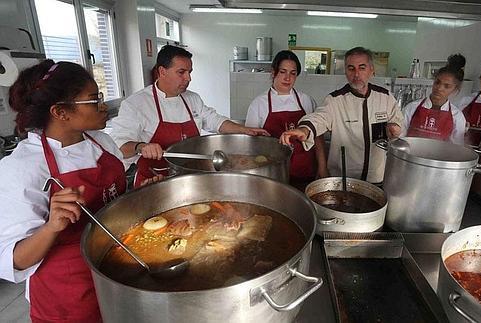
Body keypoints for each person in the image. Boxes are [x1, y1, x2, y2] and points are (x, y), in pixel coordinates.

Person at [0, 60, 135, 322]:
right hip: (68, 294)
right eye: (94, 100)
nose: (103, 106)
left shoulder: (101, 142)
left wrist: (137, 196)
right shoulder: (22, 167)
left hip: (116, 270)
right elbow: (13, 260)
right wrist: (51, 226)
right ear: (60, 112)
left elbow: (113, 202)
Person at [111, 45, 269, 187]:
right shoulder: (135, 104)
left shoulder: (192, 98)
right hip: (154, 183)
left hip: (191, 181)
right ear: (162, 71)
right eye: (181, 72)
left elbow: (214, 121)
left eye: (189, 72)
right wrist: (140, 146)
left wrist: (243, 129)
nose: (188, 78)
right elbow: (118, 146)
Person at [280, 47, 403, 183]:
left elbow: (398, 121)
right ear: (345, 71)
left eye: (362, 68)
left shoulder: (385, 97)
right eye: (351, 68)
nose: (356, 74)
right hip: (342, 180)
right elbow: (320, 117)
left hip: (376, 179)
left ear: (371, 70)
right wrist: (304, 129)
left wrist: (395, 128)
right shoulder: (335, 100)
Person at [245, 50, 327, 185]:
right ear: (273, 72)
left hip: (305, 171)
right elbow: (251, 146)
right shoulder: (259, 104)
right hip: (272, 175)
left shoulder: (306, 100)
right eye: (283, 72)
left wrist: (322, 168)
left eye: (293, 73)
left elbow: (318, 137)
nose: (287, 78)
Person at [403, 54, 467, 144]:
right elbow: (400, 138)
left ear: (455, 89)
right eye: (437, 82)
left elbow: (456, 149)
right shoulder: (411, 108)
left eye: (446, 86)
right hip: (410, 157)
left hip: (440, 158)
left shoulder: (457, 117)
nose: (439, 88)